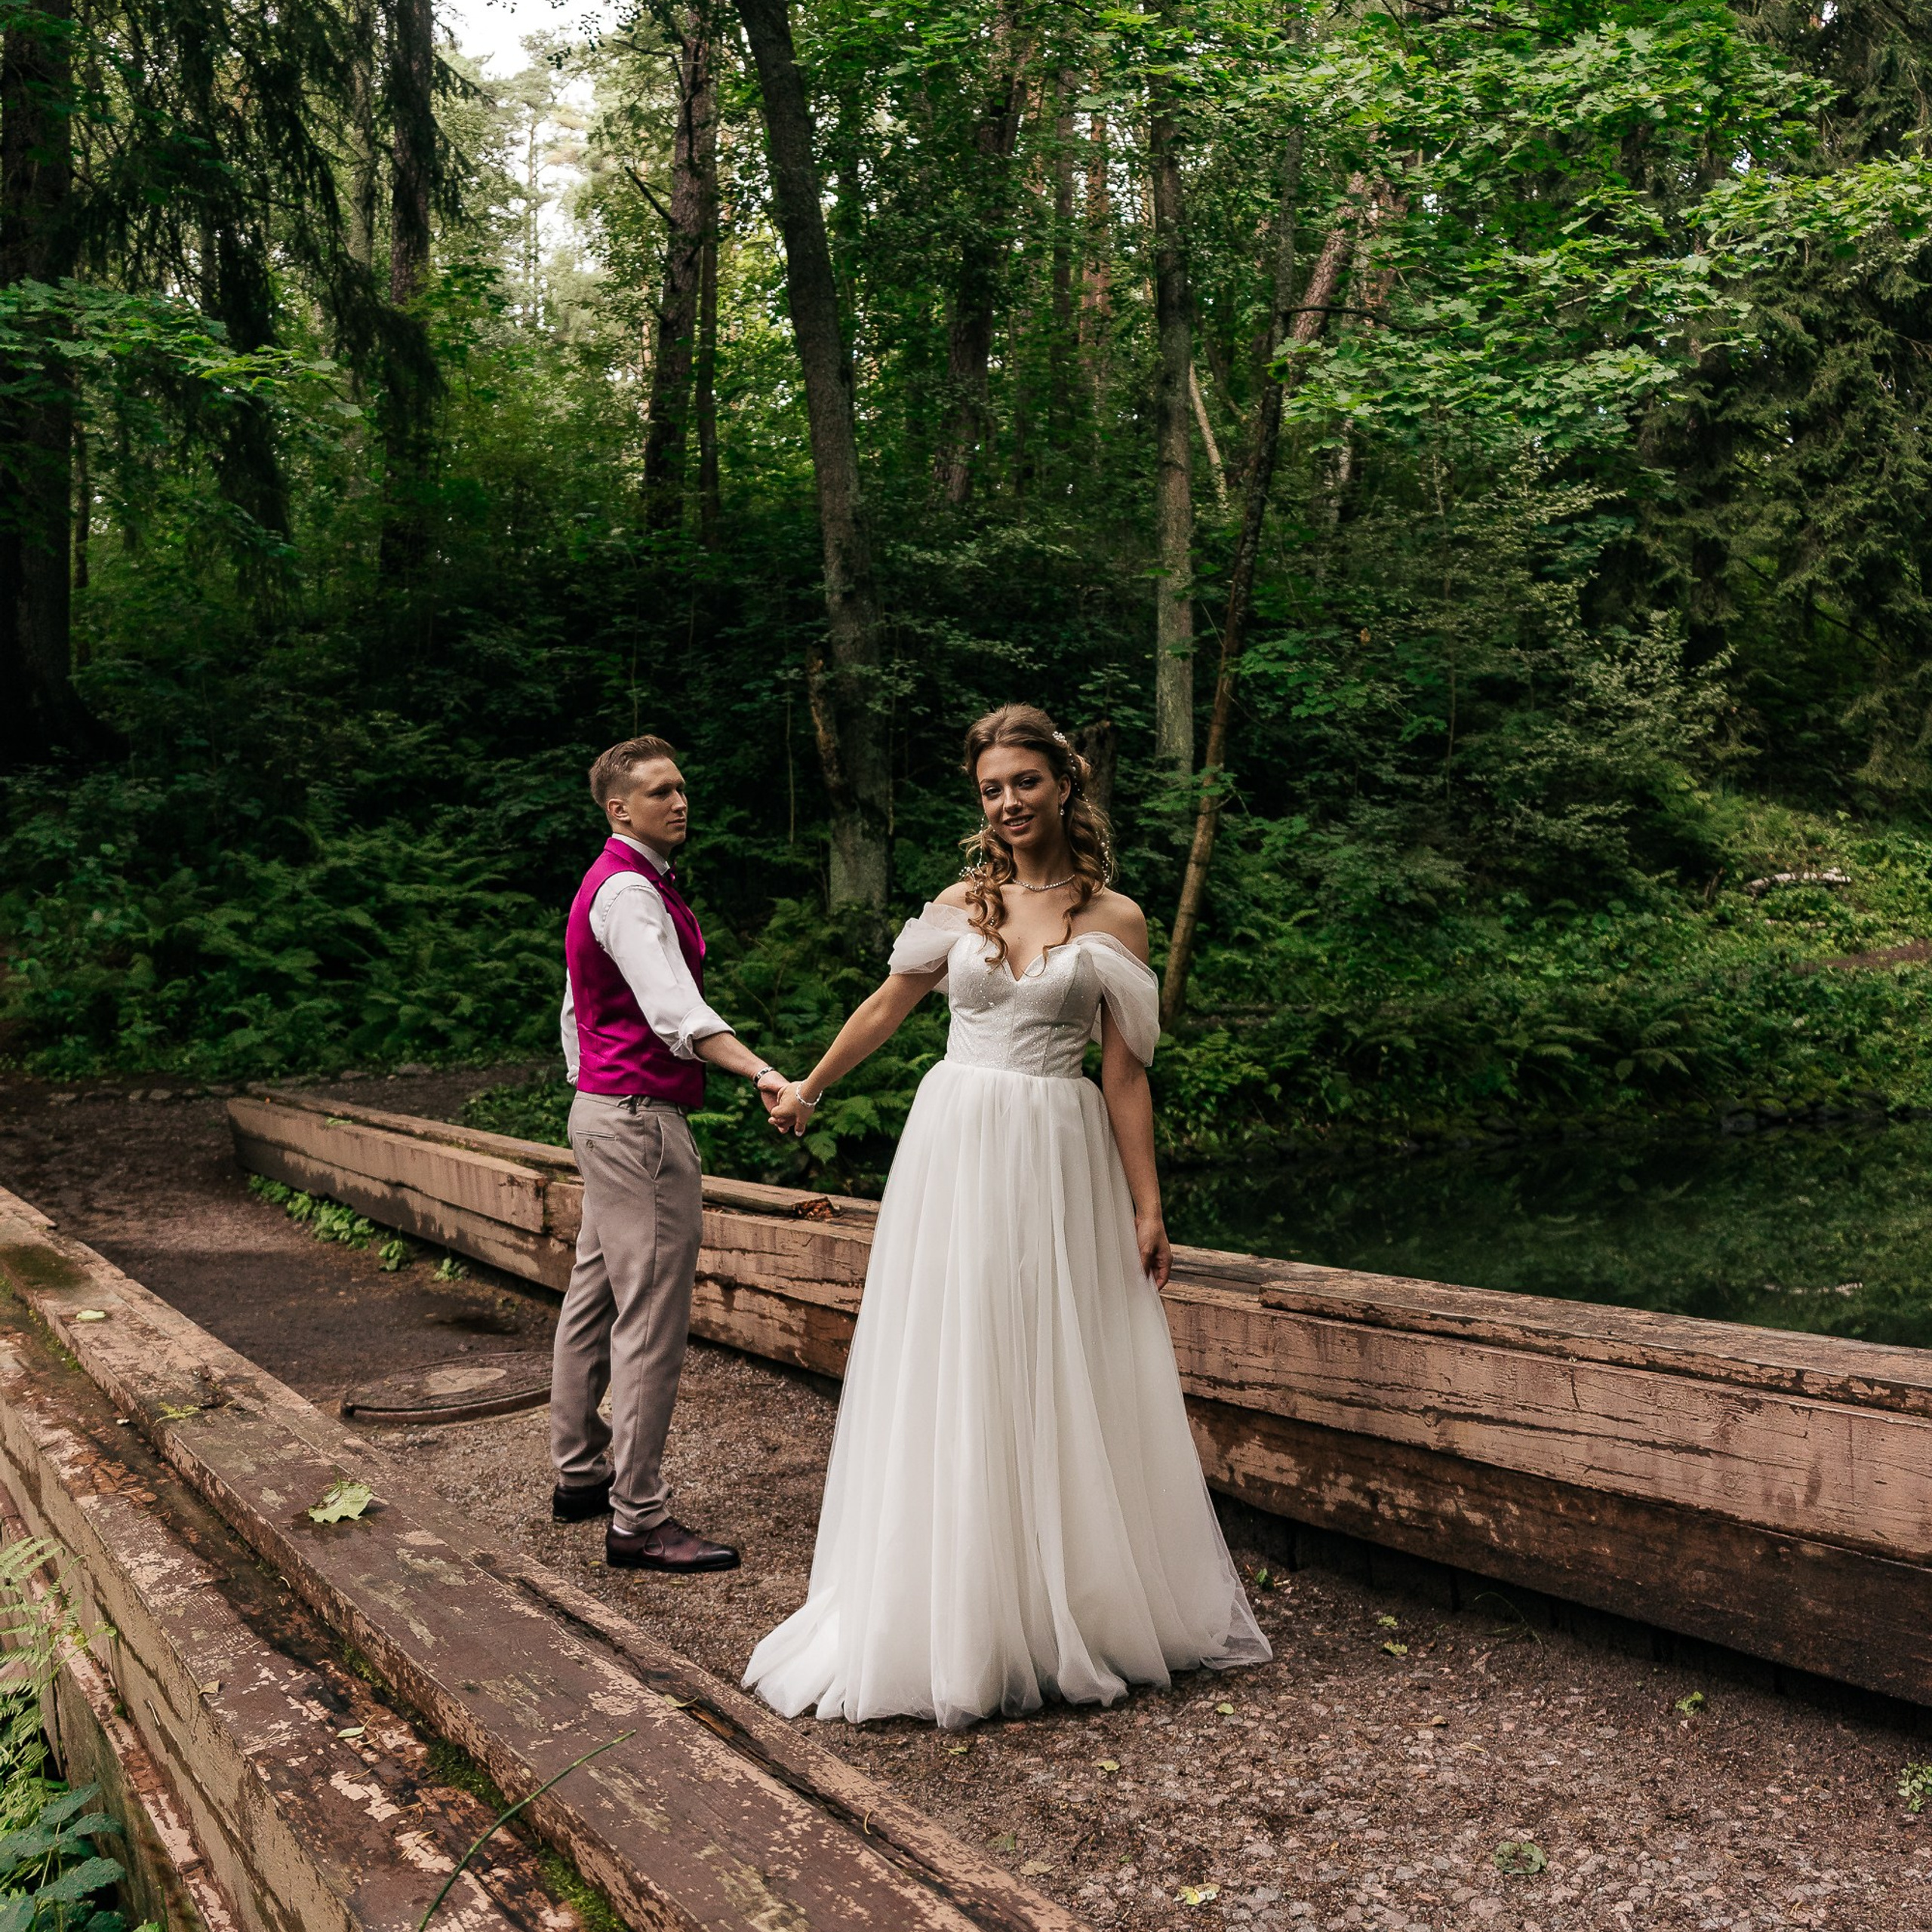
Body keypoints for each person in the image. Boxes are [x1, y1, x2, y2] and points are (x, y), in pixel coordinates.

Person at [744, 703, 1270, 1727]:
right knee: (962, 1351)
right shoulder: (960, 904)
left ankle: (1061, 1599)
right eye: (991, 788)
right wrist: (809, 1085)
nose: (1007, 803)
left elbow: (1125, 1077)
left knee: (1058, 1355)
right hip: (958, 1146)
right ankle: (954, 1612)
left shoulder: (1115, 920)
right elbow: (887, 1009)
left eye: (1024, 782)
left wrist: (1149, 1205)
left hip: (1059, 1152)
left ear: (1065, 785)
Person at [553, 735, 789, 1573]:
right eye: (659, 792)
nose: (679, 801)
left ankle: (582, 1474)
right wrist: (763, 1072)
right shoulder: (628, 891)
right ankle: (638, 1519)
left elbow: (577, 1009)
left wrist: (591, 1098)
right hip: (638, 1120)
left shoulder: (613, 884)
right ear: (619, 808)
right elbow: (675, 1013)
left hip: (604, 1110)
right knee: (649, 1317)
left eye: (683, 787)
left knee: (593, 1293)